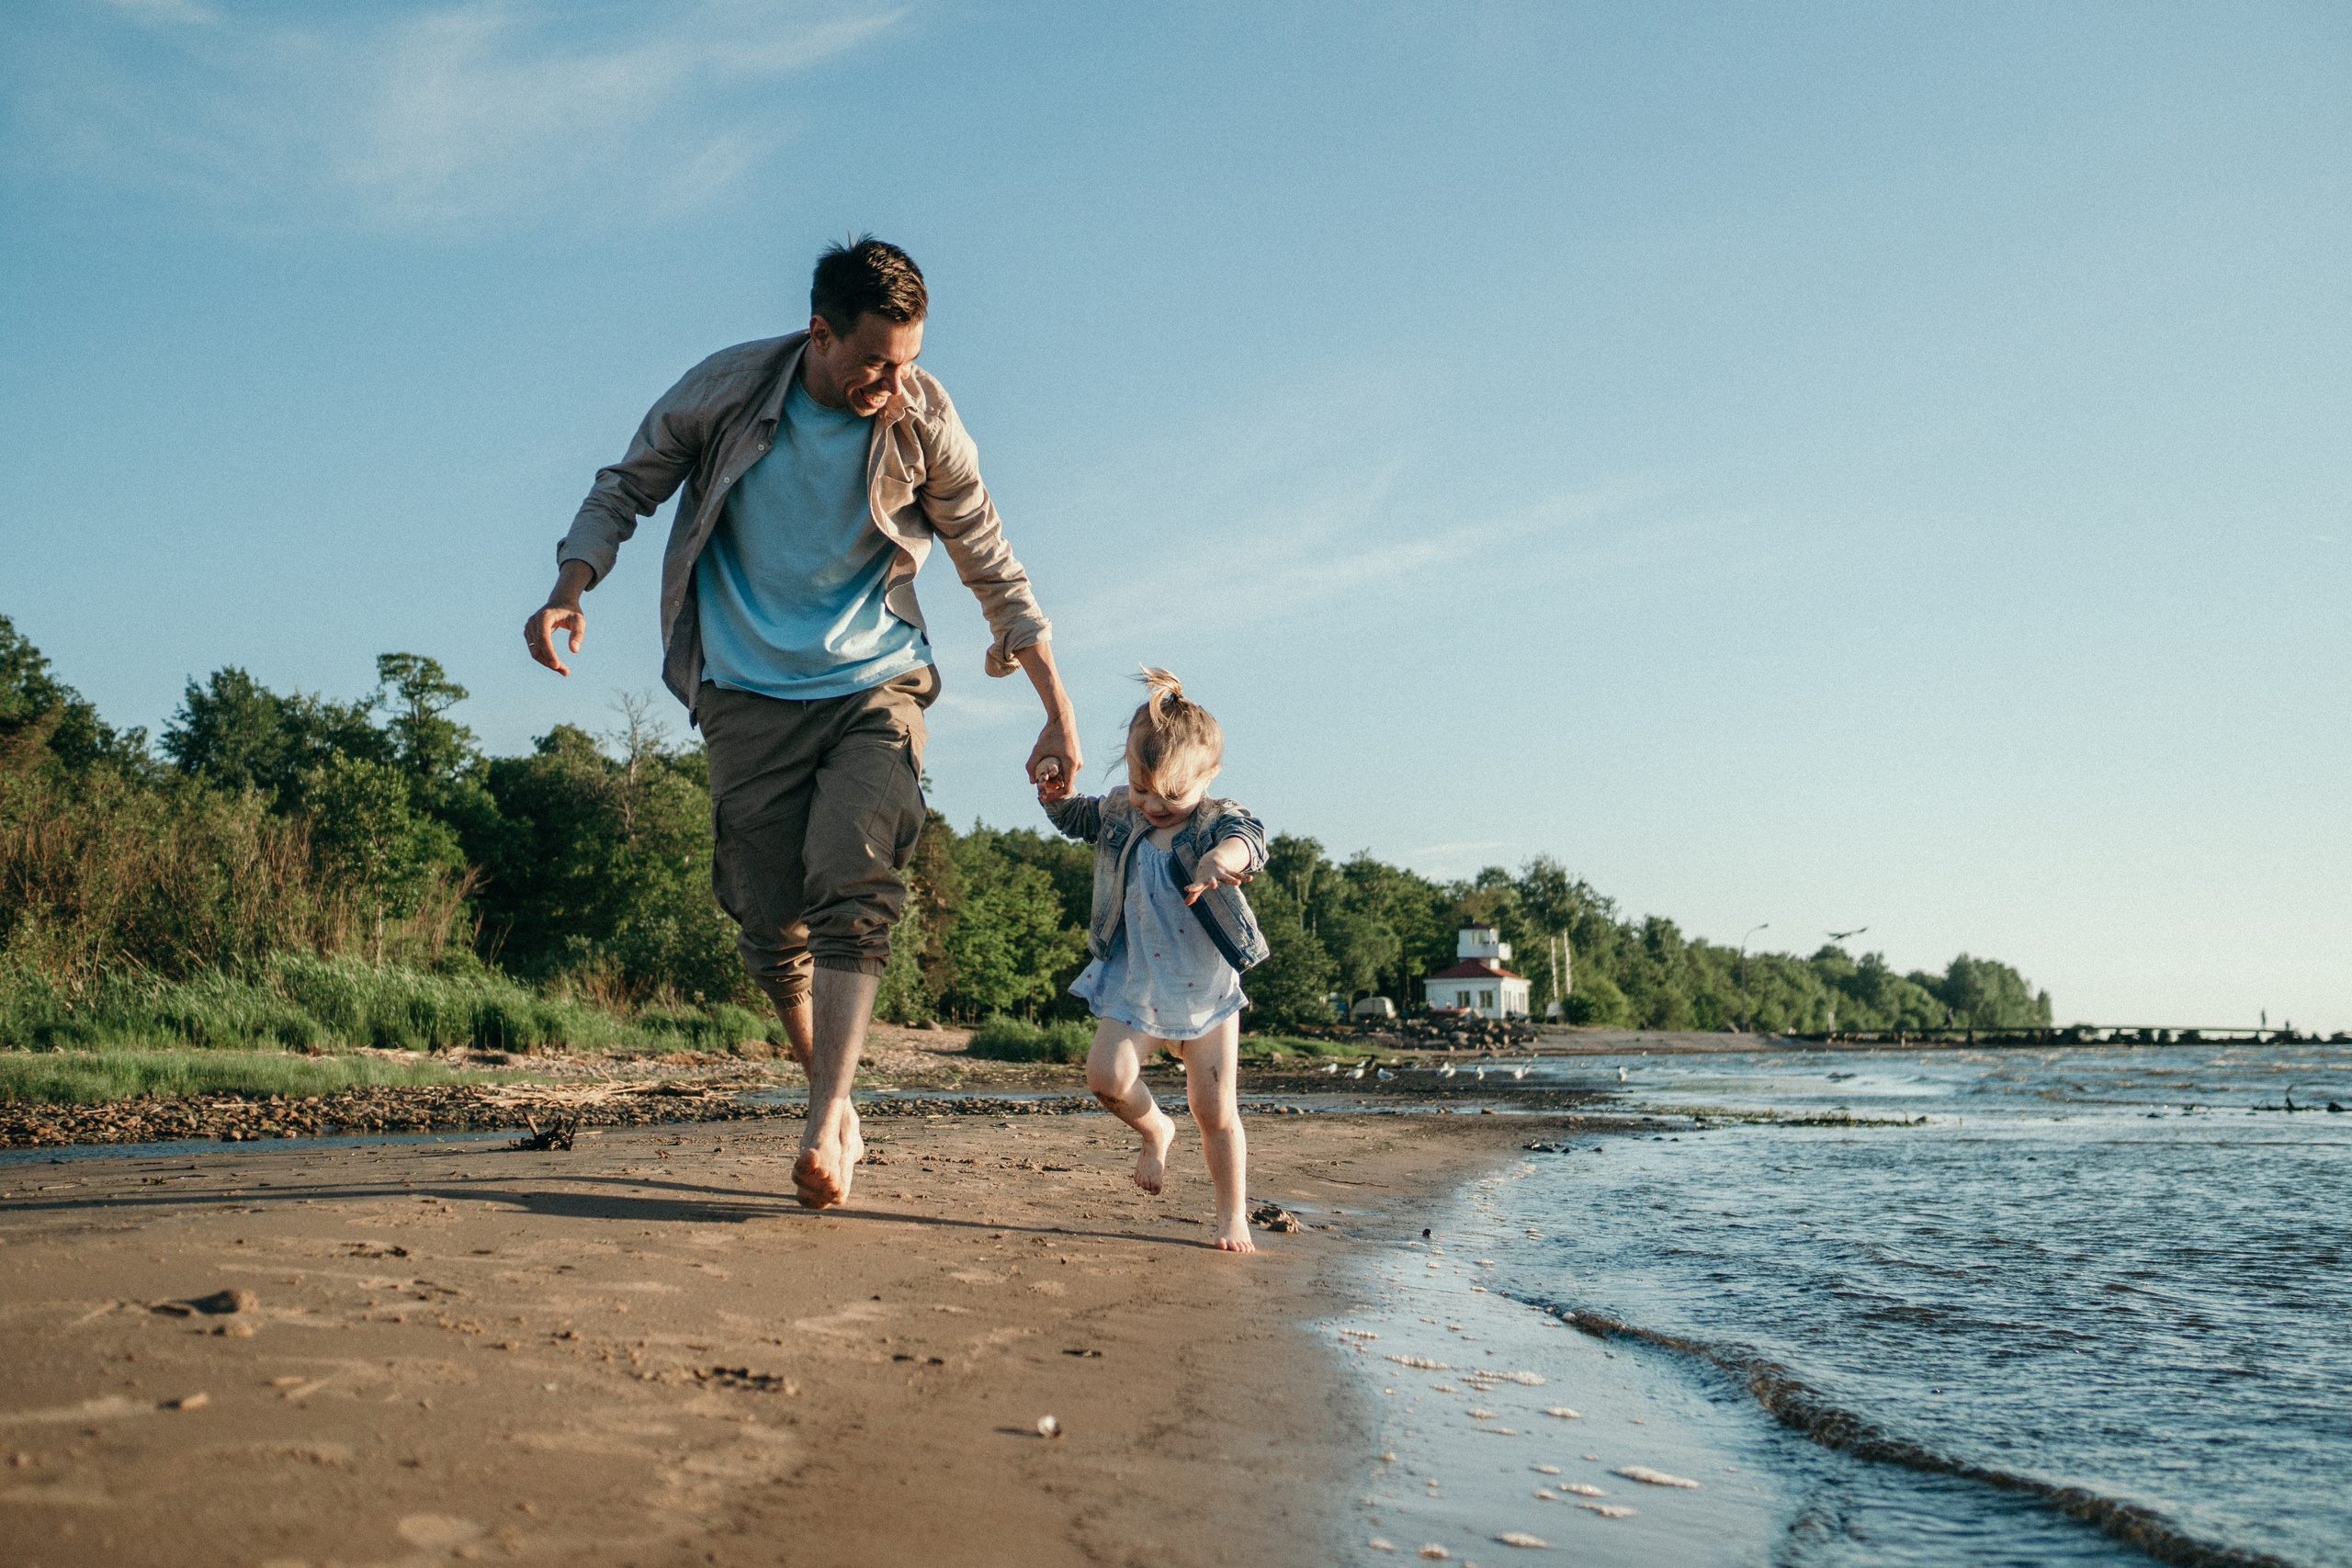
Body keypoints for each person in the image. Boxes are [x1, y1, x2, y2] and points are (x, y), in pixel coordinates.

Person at [525, 237, 1080, 1210]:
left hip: (876, 684)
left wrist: (1055, 710)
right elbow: (628, 486)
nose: (892, 382)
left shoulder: (924, 419)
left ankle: (826, 1119)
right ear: (819, 333)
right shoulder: (729, 390)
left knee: (855, 878)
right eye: (873, 360)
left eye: (907, 360)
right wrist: (572, 584)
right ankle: (833, 1096)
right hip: (745, 691)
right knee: (765, 916)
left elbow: (990, 559)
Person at [1037, 669, 1269, 1251]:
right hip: (1135, 981)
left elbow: (1252, 837)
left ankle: (1231, 1212)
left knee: (1215, 1110)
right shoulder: (1123, 811)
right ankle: (1155, 1128)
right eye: (1142, 789)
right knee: (1105, 1077)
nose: (1153, 805)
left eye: (1172, 794)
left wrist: (1223, 857)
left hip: (1205, 990)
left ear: (1207, 777)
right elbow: (1076, 819)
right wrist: (1056, 794)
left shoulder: (1217, 820)